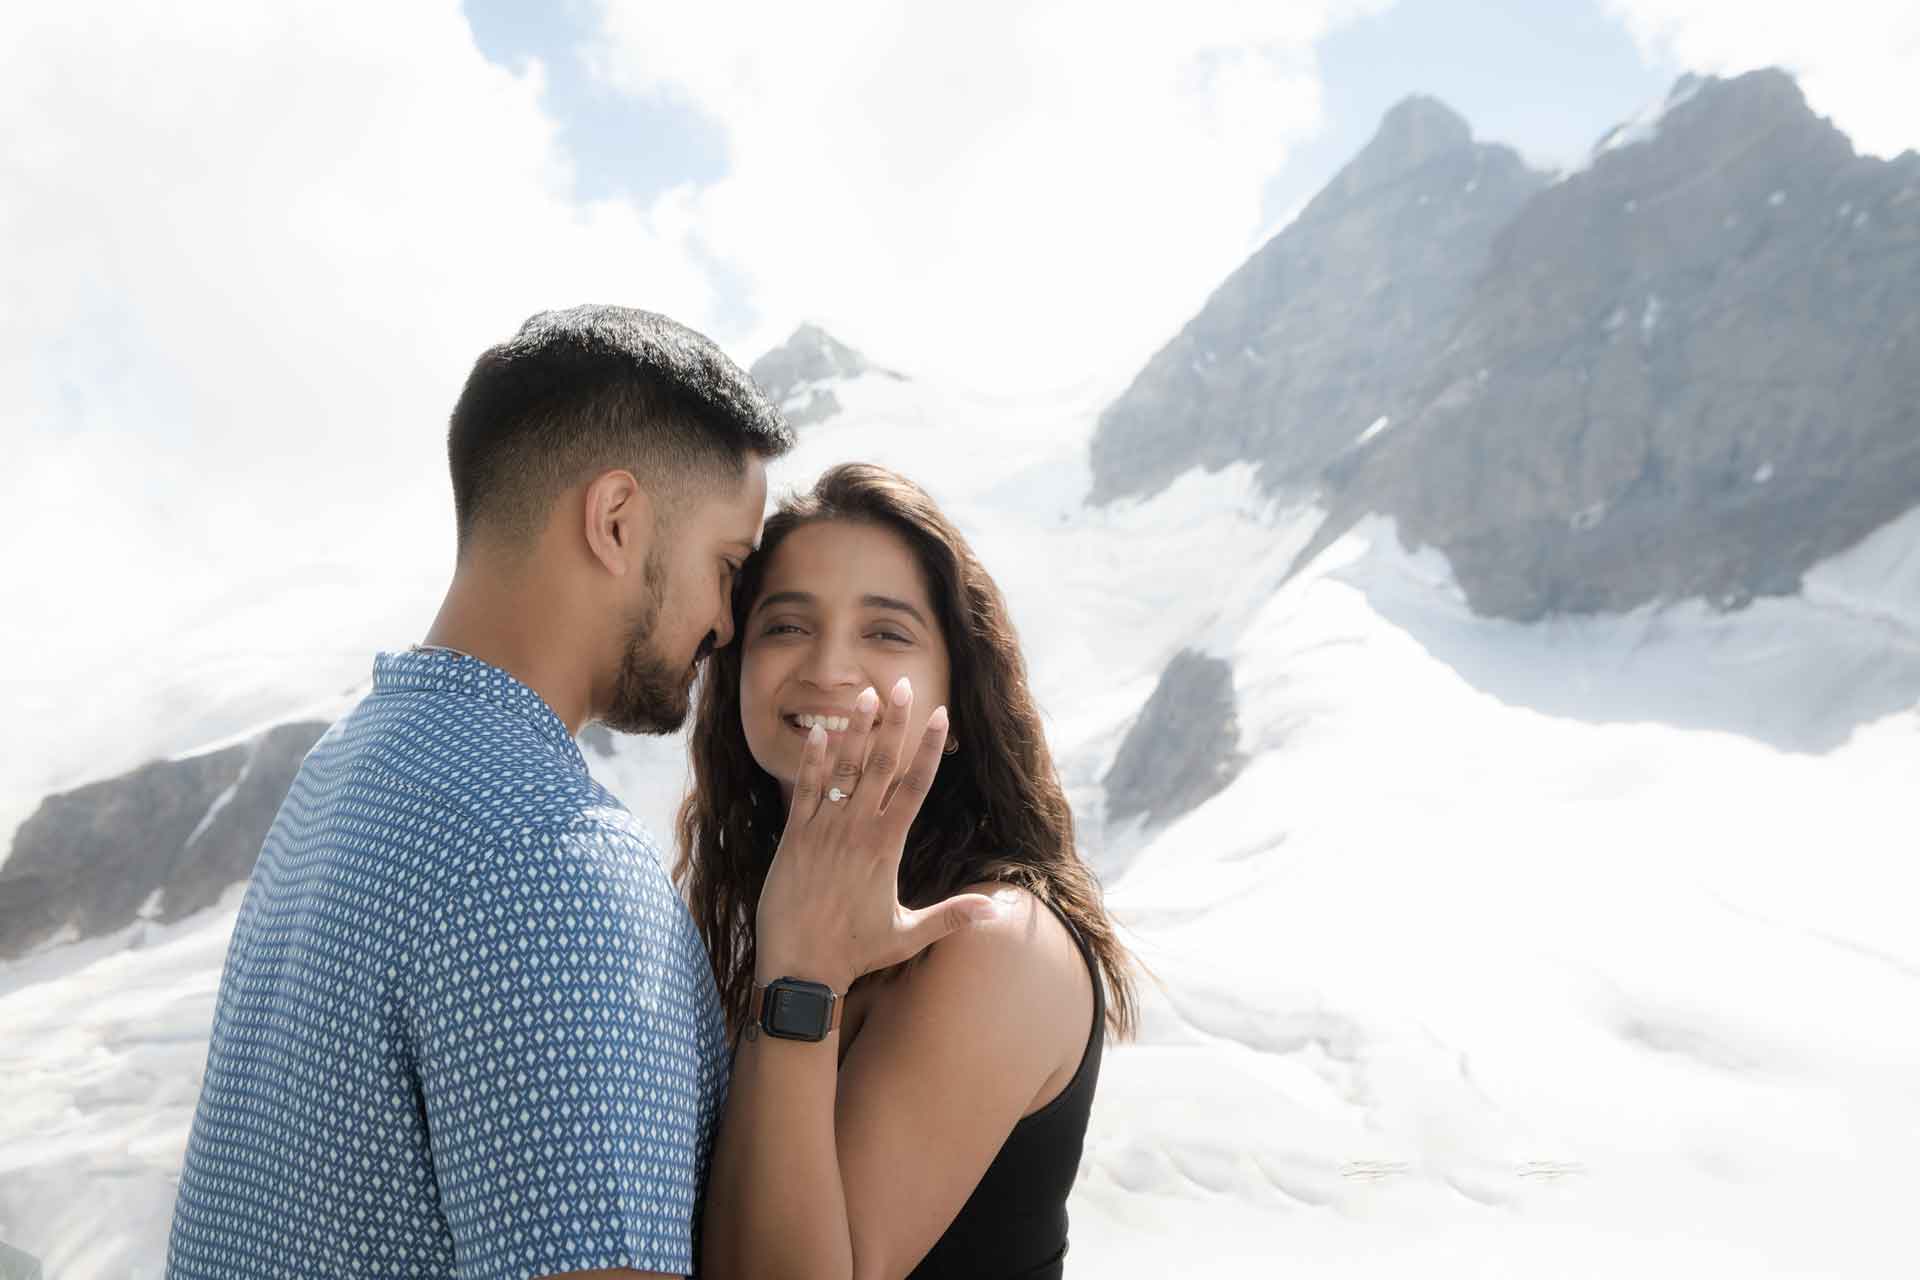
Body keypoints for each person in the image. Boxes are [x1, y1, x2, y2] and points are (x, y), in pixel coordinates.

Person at [166, 305, 793, 1279]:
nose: (725, 622)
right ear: (618, 520)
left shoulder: (346, 766)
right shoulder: (549, 854)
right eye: (728, 567)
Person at [676, 462, 1138, 1279]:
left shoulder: (996, 939)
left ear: (956, 702)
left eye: (886, 632)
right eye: (785, 626)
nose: (829, 666)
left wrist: (802, 975)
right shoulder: (745, 923)